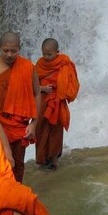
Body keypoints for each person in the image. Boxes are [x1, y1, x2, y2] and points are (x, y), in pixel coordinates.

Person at [0, 31, 41, 182]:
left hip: (19, 125)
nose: (9, 54)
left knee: (18, 164)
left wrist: (34, 123)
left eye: (14, 51)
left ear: (20, 48)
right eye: (5, 50)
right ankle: (0, 196)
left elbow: (37, 94)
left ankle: (16, 195)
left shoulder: (27, 67)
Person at [34, 38, 80, 170]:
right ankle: (42, 159)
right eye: (44, 54)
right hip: (42, 101)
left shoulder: (64, 63)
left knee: (56, 131)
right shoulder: (39, 64)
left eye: (50, 54)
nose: (46, 57)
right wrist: (42, 88)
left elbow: (72, 82)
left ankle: (54, 161)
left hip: (57, 102)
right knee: (40, 130)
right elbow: (32, 83)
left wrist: (61, 90)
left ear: (57, 52)